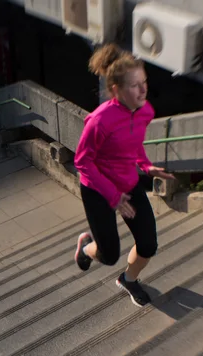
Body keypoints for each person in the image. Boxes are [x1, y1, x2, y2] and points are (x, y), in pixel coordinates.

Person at [73, 43, 175, 307]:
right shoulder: (99, 121)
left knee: (148, 245)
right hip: (98, 189)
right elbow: (82, 162)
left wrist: (145, 165)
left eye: (144, 82)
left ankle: (129, 279)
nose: (143, 90)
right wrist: (113, 197)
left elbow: (134, 141)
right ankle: (86, 246)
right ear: (116, 90)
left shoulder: (145, 111)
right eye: (134, 85)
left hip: (128, 183)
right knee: (108, 255)